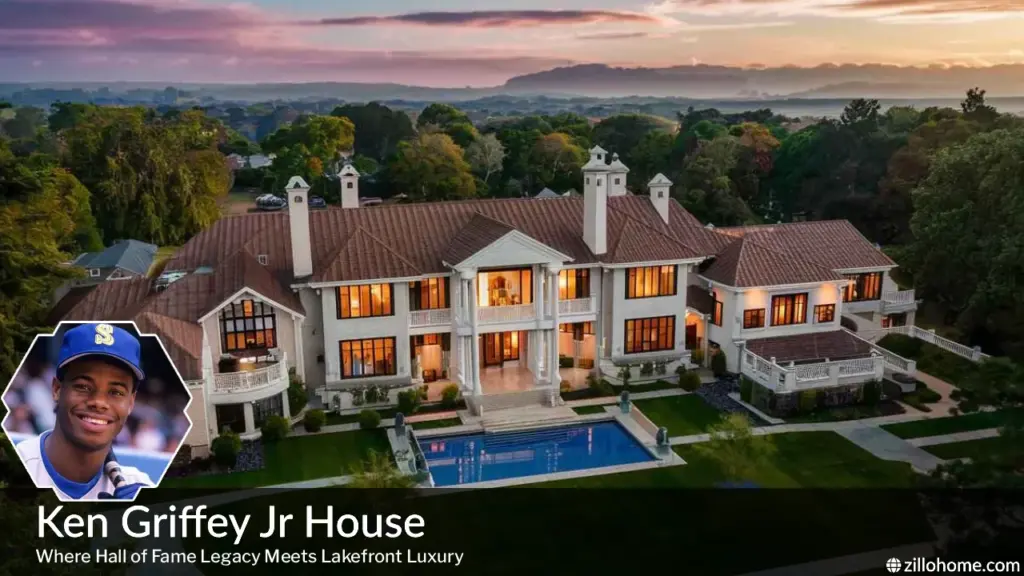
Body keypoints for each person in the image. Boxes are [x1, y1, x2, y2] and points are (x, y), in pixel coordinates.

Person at [16, 323, 155, 500]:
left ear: (131, 403)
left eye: (116, 392)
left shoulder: (139, 486)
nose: (99, 402)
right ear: (57, 389)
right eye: (83, 386)